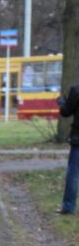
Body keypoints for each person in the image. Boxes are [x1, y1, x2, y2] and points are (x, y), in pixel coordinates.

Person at [56, 84, 79, 214]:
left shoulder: (76, 90)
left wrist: (61, 102)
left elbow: (66, 112)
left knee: (74, 173)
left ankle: (69, 206)